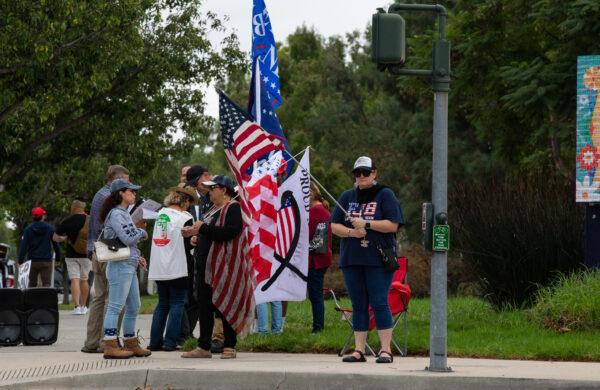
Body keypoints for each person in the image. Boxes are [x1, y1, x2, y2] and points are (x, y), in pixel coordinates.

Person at [330, 156, 404, 364]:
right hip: (352, 259)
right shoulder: (346, 197)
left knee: (379, 302)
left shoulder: (385, 194)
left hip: (378, 259)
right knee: (358, 304)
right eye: (357, 173)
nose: (361, 176)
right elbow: (334, 226)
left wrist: (367, 224)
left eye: (365, 172)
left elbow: (393, 225)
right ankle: (359, 350)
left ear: (374, 173)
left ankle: (386, 350)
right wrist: (352, 233)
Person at [181, 175, 256, 359]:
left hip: (226, 268)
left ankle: (229, 345)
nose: (209, 191)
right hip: (206, 267)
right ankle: (203, 346)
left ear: (223, 190)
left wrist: (203, 230)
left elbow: (231, 232)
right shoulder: (212, 210)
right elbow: (209, 233)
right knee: (205, 306)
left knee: (225, 304)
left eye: (213, 188)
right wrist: (194, 236)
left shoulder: (233, 208)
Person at [99, 178, 151, 359]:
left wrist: (138, 257)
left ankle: (130, 341)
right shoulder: (117, 214)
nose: (134, 194)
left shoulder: (122, 213)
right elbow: (128, 238)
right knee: (115, 306)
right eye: (131, 190)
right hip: (120, 266)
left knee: (133, 306)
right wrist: (142, 231)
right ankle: (110, 343)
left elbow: (125, 241)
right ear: (121, 193)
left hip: (127, 264)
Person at [81, 164, 130, 354]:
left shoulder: (98, 194)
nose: (129, 186)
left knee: (99, 298)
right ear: (116, 179)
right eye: (126, 181)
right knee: (115, 298)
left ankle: (92, 341)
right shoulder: (111, 197)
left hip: (97, 249)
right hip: (111, 250)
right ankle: (107, 341)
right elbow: (115, 226)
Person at [148, 186, 197, 351]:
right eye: (189, 202)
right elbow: (186, 243)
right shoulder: (185, 217)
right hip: (178, 266)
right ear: (185, 201)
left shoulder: (161, 214)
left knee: (162, 304)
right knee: (177, 303)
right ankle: (170, 342)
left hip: (159, 266)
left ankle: (154, 342)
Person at [54, 200, 91, 315]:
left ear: (74, 207)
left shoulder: (67, 220)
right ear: (83, 208)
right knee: (84, 280)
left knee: (75, 279)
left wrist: (64, 239)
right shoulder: (90, 220)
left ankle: (77, 307)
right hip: (86, 254)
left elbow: (55, 237)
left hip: (71, 255)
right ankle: (84, 306)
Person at [308, 182, 333, 333]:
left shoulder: (319, 211)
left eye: (309, 191)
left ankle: (318, 328)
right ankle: (318, 327)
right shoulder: (312, 210)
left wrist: (300, 249)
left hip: (316, 260)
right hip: (313, 259)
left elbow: (320, 242)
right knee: (314, 295)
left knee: (316, 295)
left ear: (315, 192)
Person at [18, 207, 61, 287]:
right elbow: (56, 244)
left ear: (33, 217)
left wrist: (20, 261)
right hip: (46, 261)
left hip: (32, 261)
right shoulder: (50, 228)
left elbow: (23, 246)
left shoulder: (28, 229)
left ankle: (32, 299)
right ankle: (45, 299)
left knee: (32, 285)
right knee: (46, 284)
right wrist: (58, 258)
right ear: (42, 216)